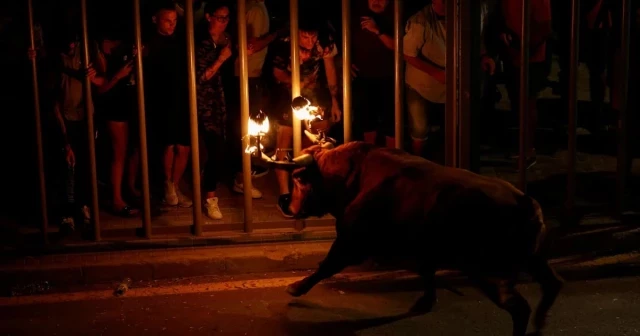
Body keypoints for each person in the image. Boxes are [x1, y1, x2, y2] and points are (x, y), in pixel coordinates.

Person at [195, 1, 234, 220]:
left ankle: (209, 189)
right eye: (220, 17)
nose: (224, 22)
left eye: (227, 18)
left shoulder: (225, 38)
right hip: (203, 102)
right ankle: (210, 197)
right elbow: (201, 77)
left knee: (219, 148)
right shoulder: (201, 42)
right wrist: (221, 59)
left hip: (219, 101)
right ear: (209, 17)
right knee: (213, 148)